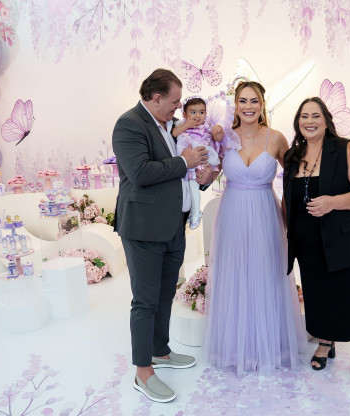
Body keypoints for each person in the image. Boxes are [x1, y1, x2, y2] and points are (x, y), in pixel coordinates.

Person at [112, 68, 212, 403]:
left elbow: (181, 176)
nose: (178, 107)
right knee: (145, 301)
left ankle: (160, 351)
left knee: (166, 293)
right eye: (174, 101)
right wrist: (184, 161)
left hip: (172, 226)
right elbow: (140, 172)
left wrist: (204, 177)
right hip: (143, 228)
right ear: (156, 98)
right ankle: (143, 372)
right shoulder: (129, 124)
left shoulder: (170, 126)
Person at [203, 81, 307, 375]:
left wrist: (291, 216)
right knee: (235, 273)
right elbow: (209, 174)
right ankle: (237, 348)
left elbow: (295, 179)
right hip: (233, 212)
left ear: (262, 105)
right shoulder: (223, 137)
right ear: (235, 104)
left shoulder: (276, 138)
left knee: (266, 272)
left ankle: (270, 345)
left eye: (254, 101)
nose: (248, 107)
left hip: (265, 212)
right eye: (243, 101)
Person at [283, 97, 350, 382]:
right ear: (298, 122)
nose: (309, 121)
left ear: (326, 121)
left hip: (345, 239)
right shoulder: (292, 156)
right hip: (307, 243)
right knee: (317, 295)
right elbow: (289, 199)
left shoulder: (345, 148)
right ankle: (326, 341)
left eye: (316, 116)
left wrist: (332, 202)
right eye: (304, 116)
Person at [172, 96, 225, 229]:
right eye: (193, 112)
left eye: (201, 112)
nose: (197, 116)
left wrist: (218, 129)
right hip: (186, 164)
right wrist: (186, 125)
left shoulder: (206, 127)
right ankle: (194, 213)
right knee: (191, 188)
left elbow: (218, 138)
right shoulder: (181, 125)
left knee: (194, 186)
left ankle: (195, 214)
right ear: (185, 114)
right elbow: (174, 133)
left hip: (201, 161)